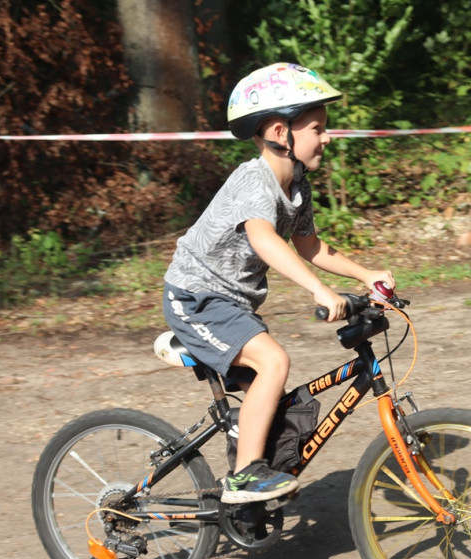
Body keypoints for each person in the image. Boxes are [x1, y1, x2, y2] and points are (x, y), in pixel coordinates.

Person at [163, 63, 395, 504]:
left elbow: (309, 245)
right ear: (279, 132)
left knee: (273, 404)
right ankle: (244, 477)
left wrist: (367, 275)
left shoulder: (297, 186)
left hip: (231, 305)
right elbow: (263, 237)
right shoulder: (255, 180)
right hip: (196, 298)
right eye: (317, 128)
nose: (327, 137)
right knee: (274, 362)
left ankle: (255, 478)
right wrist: (318, 290)